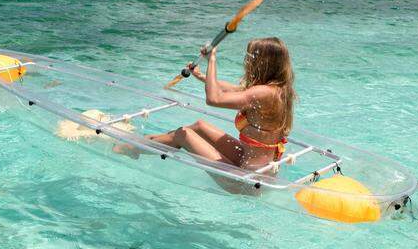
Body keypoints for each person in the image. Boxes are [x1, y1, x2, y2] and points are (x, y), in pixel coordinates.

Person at [115, 37, 296, 173]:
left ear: (262, 62)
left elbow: (214, 99)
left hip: (246, 177)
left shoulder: (264, 93)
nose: (247, 61)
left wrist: (212, 60)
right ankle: (143, 143)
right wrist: (202, 76)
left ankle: (133, 147)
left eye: (251, 57)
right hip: (248, 160)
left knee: (183, 135)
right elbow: (231, 89)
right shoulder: (277, 90)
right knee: (199, 126)